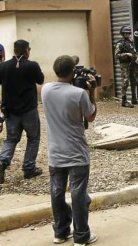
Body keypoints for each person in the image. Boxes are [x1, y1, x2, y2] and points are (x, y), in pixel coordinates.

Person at [41, 55, 98, 245]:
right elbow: (90, 117)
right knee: (78, 195)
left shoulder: (46, 90)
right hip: (77, 153)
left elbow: (64, 66)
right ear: (72, 72)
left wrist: (71, 65)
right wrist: (92, 93)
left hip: (55, 154)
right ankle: (81, 236)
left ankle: (60, 232)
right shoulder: (79, 94)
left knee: (57, 193)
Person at [0, 39, 44, 184]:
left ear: (14, 51)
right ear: (27, 51)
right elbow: (40, 80)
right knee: (33, 138)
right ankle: (29, 168)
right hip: (29, 110)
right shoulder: (32, 65)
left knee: (11, 139)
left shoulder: (3, 67)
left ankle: (2, 161)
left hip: (10, 112)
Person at [114, 26, 138, 108]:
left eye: (129, 33)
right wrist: (126, 54)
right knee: (125, 81)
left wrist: (137, 58)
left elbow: (135, 51)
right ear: (122, 33)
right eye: (126, 33)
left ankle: (134, 99)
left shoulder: (131, 42)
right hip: (125, 64)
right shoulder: (120, 43)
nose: (128, 34)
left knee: (134, 80)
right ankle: (124, 100)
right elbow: (116, 55)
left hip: (133, 63)